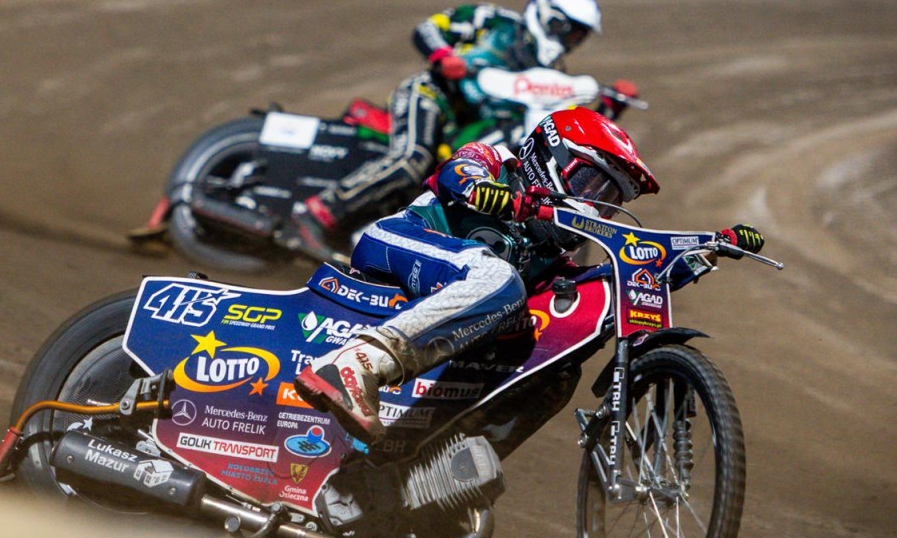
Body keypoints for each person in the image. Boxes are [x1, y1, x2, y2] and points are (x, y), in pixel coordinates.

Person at [293, 108, 765, 444]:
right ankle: (354, 365)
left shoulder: (551, 251)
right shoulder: (497, 160)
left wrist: (702, 253)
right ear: (549, 156)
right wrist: (492, 194)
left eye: (609, 200)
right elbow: (459, 172)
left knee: (562, 356)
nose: (596, 205)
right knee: (499, 278)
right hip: (399, 243)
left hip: (461, 297)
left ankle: (436, 467)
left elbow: (611, 284)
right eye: (591, 184)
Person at [281, 0, 629, 263]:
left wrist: (608, 109)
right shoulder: (496, 22)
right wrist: (442, 56)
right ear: (548, 16)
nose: (570, 41)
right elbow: (429, 28)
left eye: (579, 35)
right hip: (432, 96)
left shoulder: (553, 76)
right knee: (411, 160)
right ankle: (312, 216)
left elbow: (556, 131)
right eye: (569, 30)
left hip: (468, 136)